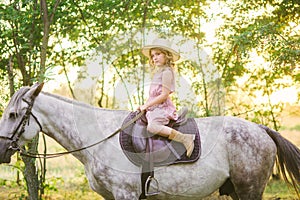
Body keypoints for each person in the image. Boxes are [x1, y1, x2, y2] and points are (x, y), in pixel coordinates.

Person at [138, 38, 195, 157]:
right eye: (153, 56)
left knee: (152, 127)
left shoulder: (167, 72)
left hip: (162, 108)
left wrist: (146, 105)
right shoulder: (158, 73)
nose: (155, 58)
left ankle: (184, 138)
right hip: (153, 108)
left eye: (158, 54)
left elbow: (164, 95)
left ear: (167, 55)